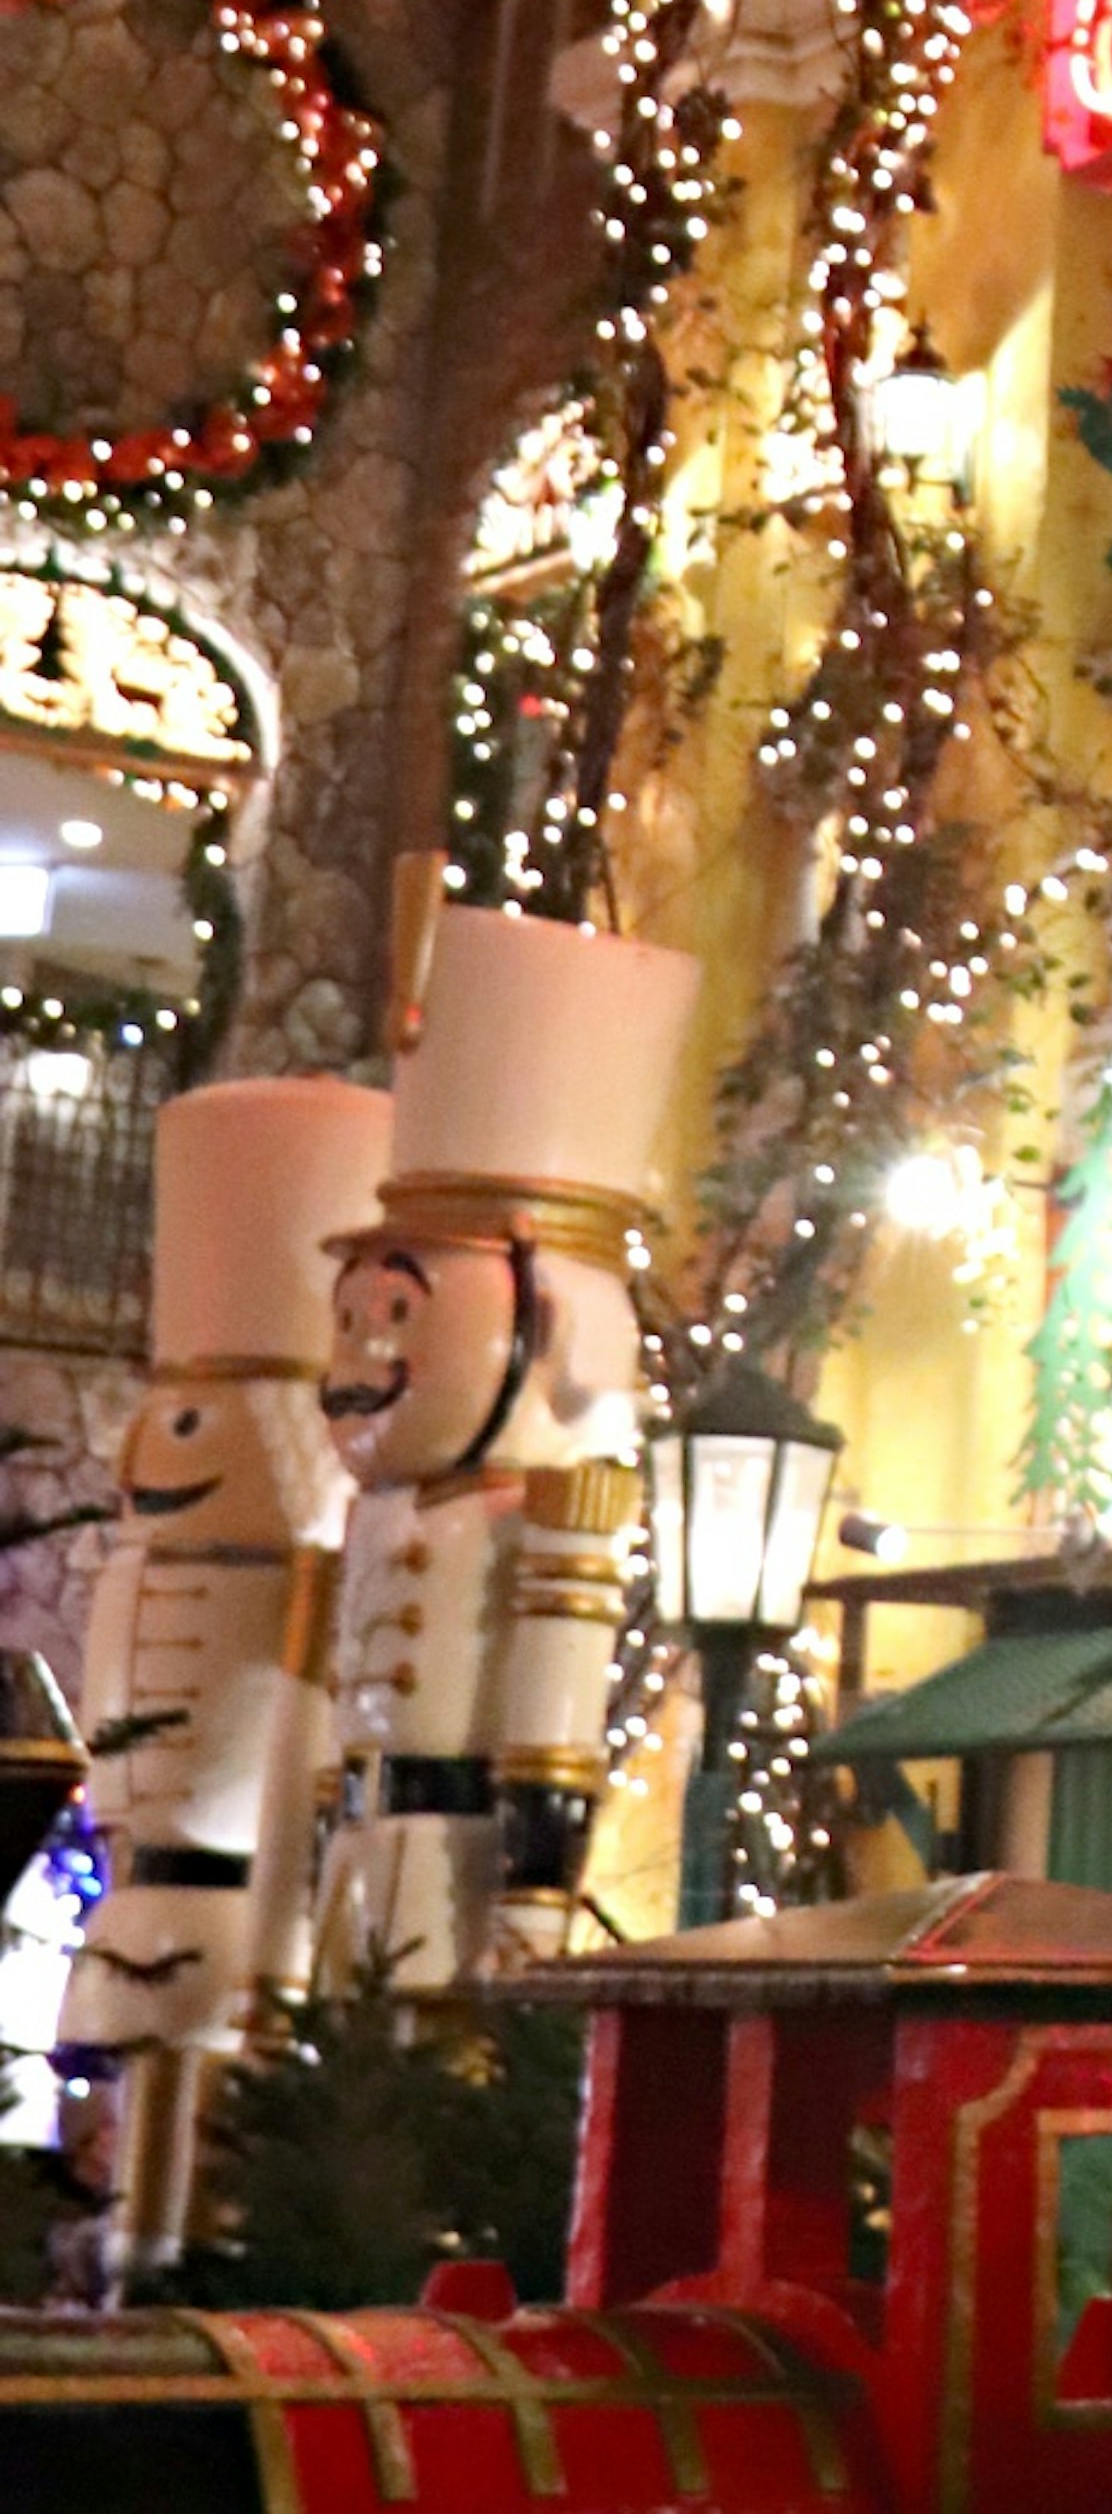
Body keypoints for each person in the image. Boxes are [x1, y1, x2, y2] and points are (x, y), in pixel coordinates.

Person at [315, 867, 695, 1996]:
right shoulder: (383, 1510)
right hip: (356, 1848)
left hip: (455, 1866)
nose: (360, 1361)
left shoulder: (557, 1515)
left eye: (394, 1316)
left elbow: (553, 1717)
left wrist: (534, 1899)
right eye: (354, 1320)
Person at [59, 1073, 388, 2282]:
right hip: (141, 1885)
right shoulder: (134, 1571)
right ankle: (124, 2245)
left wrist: (280, 1949)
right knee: (139, 2096)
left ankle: (172, 2250)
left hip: (228, 1906)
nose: (152, 1442)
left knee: (201, 2113)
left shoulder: (299, 1589)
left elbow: (300, 1757)